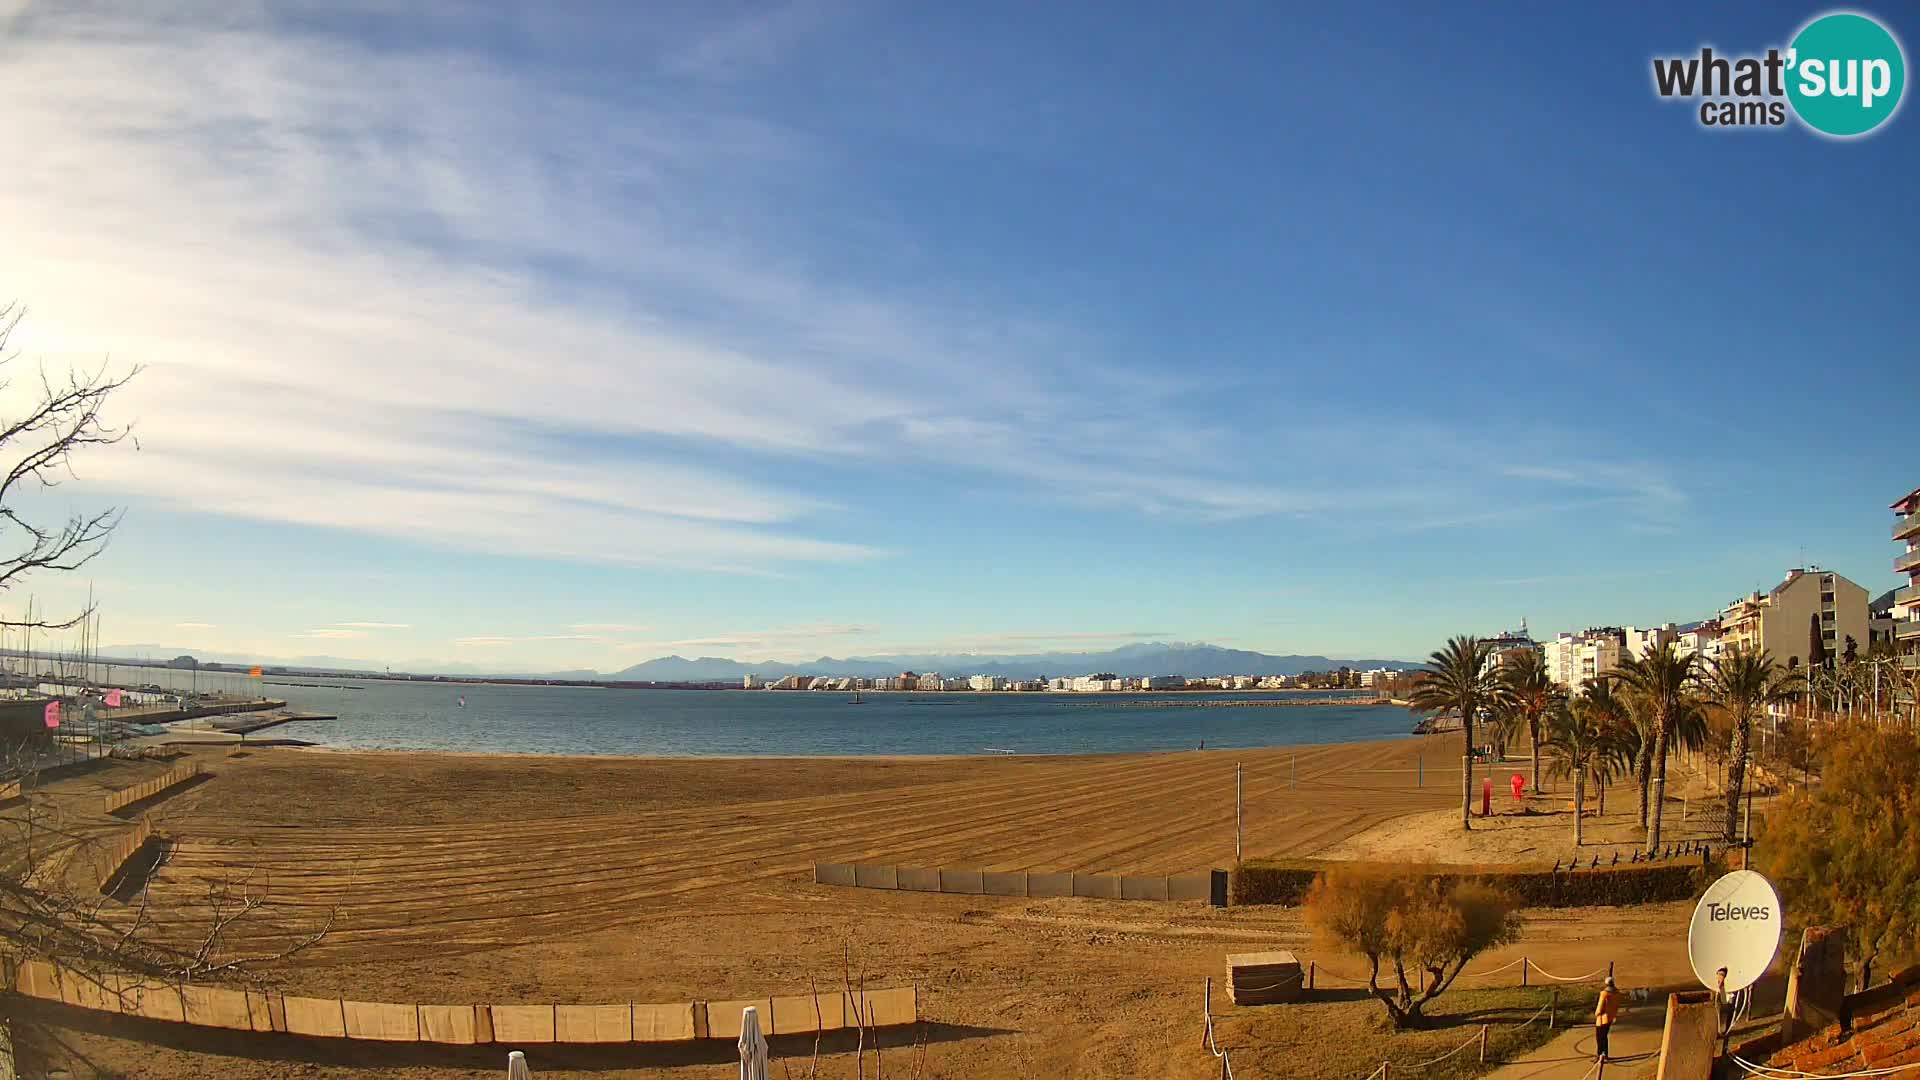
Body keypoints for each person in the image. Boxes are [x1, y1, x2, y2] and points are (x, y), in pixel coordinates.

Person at [1595, 976, 1624, 1063]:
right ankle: (1606, 1054)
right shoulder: (1617, 993)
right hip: (1611, 1017)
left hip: (1602, 1018)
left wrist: (1596, 1014)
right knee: (1605, 1036)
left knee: (1600, 1037)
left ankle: (1600, 1055)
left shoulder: (1604, 994)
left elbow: (1599, 1008)